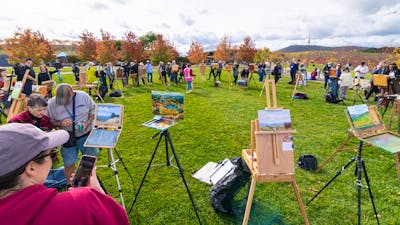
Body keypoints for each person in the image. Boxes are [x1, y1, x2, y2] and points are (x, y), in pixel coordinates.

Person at [0, 123, 129, 225]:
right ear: (31, 168)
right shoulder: (84, 202)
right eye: (51, 154)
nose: (52, 159)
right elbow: (118, 220)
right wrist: (99, 194)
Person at [47, 84, 98, 185]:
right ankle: (71, 186)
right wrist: (60, 123)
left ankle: (86, 183)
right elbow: (49, 121)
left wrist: (86, 123)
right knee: (69, 163)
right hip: (67, 137)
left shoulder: (83, 97)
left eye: (66, 100)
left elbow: (94, 111)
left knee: (89, 161)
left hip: (86, 135)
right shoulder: (51, 103)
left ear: (73, 94)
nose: (64, 103)